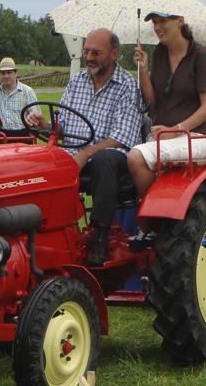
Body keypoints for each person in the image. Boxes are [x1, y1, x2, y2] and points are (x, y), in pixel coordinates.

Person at [25, 29, 143, 265]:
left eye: (96, 53)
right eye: (86, 51)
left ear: (115, 54)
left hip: (112, 159)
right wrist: (44, 123)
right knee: (34, 161)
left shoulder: (128, 86)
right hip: (73, 155)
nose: (89, 57)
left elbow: (122, 137)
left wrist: (84, 155)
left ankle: (99, 236)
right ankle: (41, 233)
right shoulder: (77, 81)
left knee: (105, 160)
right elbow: (63, 126)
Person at [127, 10, 206, 198]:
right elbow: (152, 104)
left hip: (196, 137)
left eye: (163, 21)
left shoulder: (200, 54)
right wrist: (143, 70)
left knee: (135, 158)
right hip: (164, 137)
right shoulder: (159, 53)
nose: (158, 27)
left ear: (180, 21)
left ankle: (150, 223)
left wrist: (176, 130)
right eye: (154, 22)